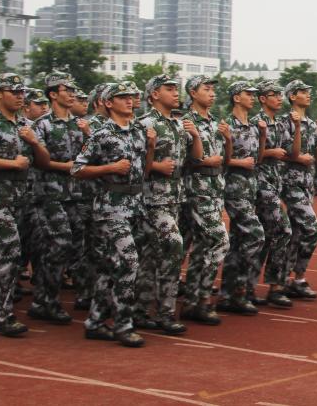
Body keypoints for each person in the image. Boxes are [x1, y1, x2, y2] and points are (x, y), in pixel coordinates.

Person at [71, 81, 156, 348]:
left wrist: (152, 146)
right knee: (129, 261)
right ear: (108, 103)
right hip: (111, 206)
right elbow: (77, 169)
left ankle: (95, 322)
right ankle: (123, 324)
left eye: (131, 96)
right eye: (122, 97)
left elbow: (144, 170)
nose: (130, 100)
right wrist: (109, 168)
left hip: (135, 204)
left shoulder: (139, 131)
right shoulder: (101, 134)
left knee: (111, 266)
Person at [0, 72, 49, 337]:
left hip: (18, 197)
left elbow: (43, 161)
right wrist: (13, 164)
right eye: (14, 92)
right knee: (9, 250)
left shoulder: (26, 125)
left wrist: (34, 142)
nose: (19, 96)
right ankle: (4, 315)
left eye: (21, 92)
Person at [136, 74, 203, 334]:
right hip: (153, 199)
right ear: (154, 94)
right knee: (173, 248)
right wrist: (156, 166)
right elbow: (133, 162)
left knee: (151, 255)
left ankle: (141, 310)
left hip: (175, 197)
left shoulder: (178, 124)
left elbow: (196, 159)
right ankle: (165, 312)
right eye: (169, 89)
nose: (176, 93)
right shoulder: (145, 124)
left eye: (176, 88)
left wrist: (195, 136)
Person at [29, 71, 86, 325]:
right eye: (67, 90)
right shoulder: (41, 125)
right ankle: (46, 301)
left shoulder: (80, 124)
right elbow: (39, 161)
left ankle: (44, 298)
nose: (72, 94)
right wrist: (67, 167)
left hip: (75, 194)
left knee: (74, 246)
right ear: (53, 94)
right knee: (58, 243)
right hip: (49, 193)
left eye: (73, 90)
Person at [179, 75, 229, 325]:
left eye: (212, 90)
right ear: (192, 92)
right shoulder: (185, 122)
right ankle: (202, 298)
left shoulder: (215, 122)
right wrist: (203, 161)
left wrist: (228, 139)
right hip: (196, 191)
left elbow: (223, 157)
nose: (212, 93)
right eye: (206, 89)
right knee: (220, 241)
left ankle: (192, 302)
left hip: (214, 190)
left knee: (201, 247)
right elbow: (178, 159)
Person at [216, 81, 265, 315]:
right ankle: (239, 290)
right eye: (249, 94)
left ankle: (226, 295)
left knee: (237, 242)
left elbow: (259, 158)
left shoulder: (253, 126)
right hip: (234, 188)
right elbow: (216, 158)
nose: (253, 98)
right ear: (236, 97)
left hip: (250, 189)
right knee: (256, 235)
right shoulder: (226, 125)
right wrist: (238, 162)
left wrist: (263, 135)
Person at [277, 79, 317, 300]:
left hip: (307, 184)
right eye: (303, 92)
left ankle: (289, 280)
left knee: (297, 232)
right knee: (313, 229)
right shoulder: (284, 122)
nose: (308, 94)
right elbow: (281, 152)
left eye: (308, 91)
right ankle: (296, 276)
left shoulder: (313, 124)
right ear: (292, 96)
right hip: (291, 183)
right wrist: (297, 158)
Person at [252, 80, 294, 308]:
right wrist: (269, 151)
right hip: (259, 183)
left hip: (275, 182)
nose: (279, 98)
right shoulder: (255, 123)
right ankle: (275, 286)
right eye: (274, 94)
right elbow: (248, 155)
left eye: (280, 94)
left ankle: (247, 286)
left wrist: (297, 128)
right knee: (283, 229)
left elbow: (290, 151)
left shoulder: (279, 124)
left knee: (264, 236)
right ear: (262, 99)